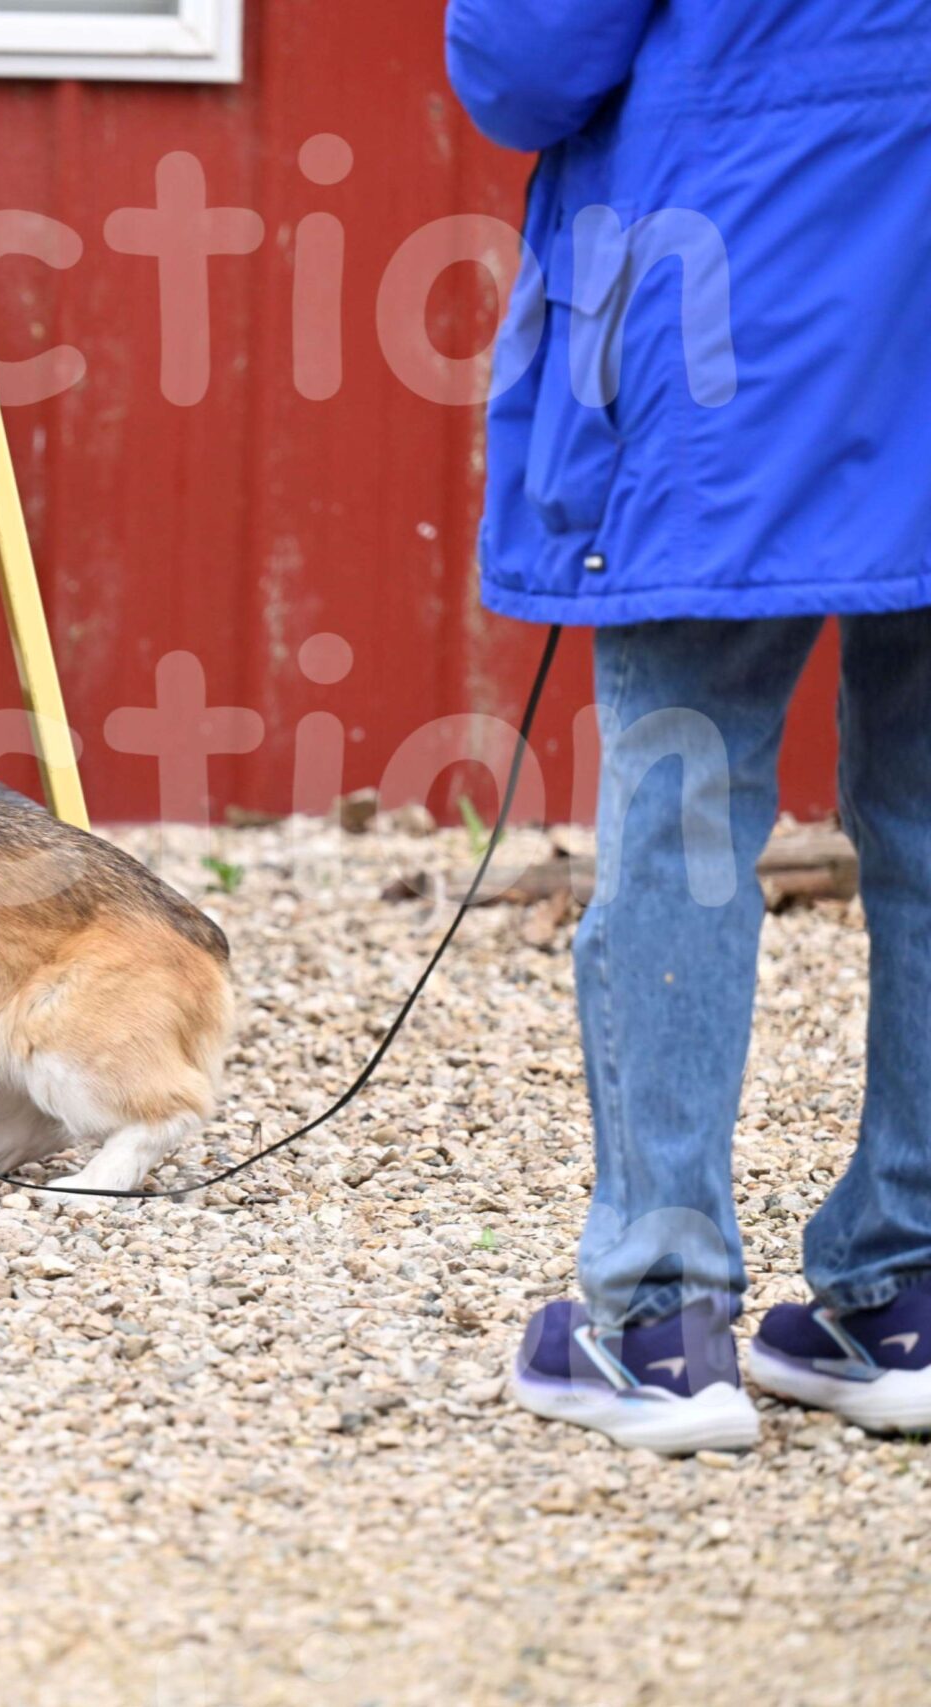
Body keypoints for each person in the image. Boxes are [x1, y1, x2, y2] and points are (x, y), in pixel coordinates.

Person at [446, 0, 931, 1452]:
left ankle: (660, 1322)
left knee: (686, 807)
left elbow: (523, 67)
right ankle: (905, 1296)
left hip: (736, 302)